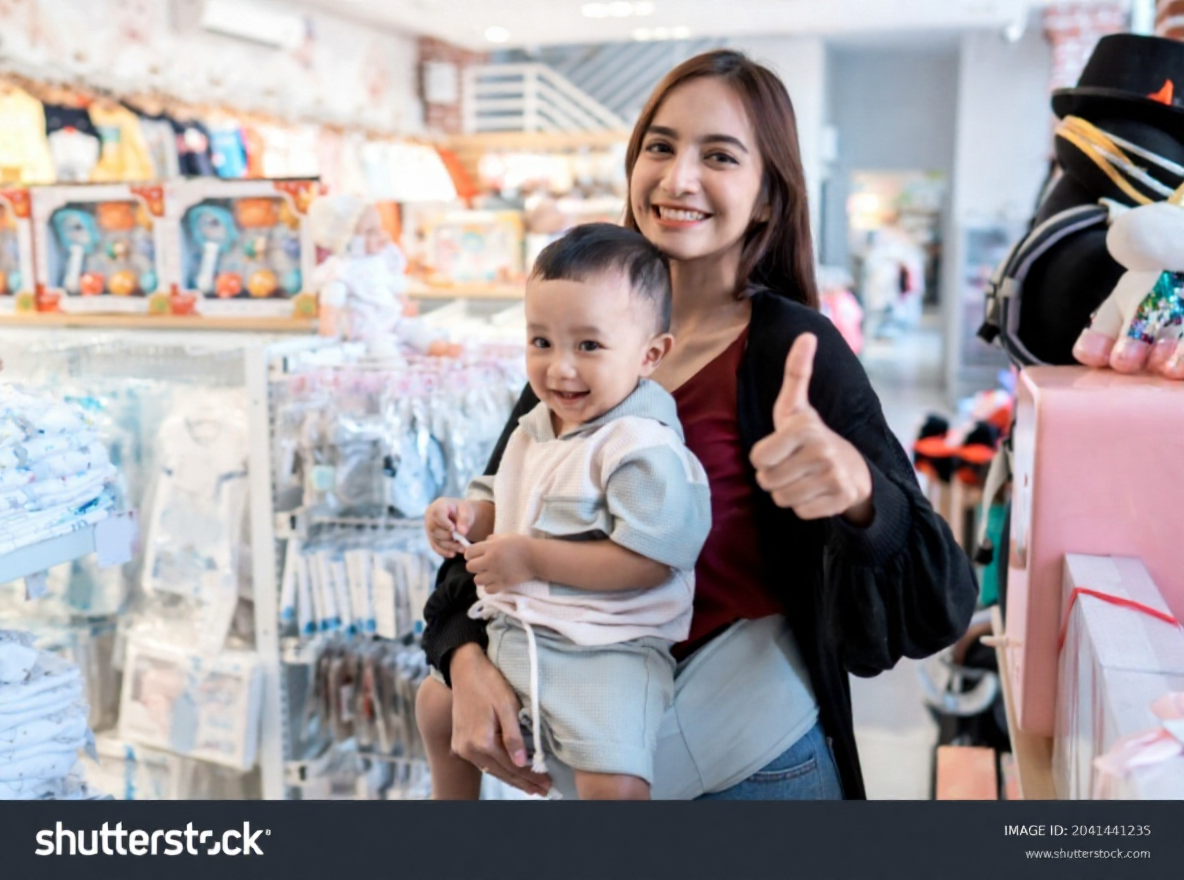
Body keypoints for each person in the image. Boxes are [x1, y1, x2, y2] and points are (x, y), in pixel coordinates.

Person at [421, 50, 978, 801]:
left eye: (719, 156)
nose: (678, 178)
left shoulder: (791, 349)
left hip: (749, 761)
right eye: (660, 146)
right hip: (585, 740)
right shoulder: (584, 341)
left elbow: (936, 601)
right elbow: (501, 509)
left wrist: (855, 490)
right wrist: (465, 662)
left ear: (768, 197)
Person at [417, 224, 712, 800]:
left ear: (650, 354)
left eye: (589, 346)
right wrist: (463, 517)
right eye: (541, 342)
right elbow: (501, 500)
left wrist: (532, 558)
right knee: (434, 703)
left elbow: (652, 560)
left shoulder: (639, 446)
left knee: (613, 777)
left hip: (608, 648)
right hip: (519, 627)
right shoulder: (535, 427)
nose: (560, 369)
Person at [307, 194, 459, 358]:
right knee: (381, 349)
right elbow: (331, 306)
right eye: (370, 231)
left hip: (392, 320)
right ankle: (395, 370)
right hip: (367, 329)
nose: (381, 235)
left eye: (380, 229)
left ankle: (439, 348)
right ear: (346, 239)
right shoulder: (342, 270)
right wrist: (329, 333)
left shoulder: (382, 260)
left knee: (415, 328)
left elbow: (393, 286)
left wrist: (404, 303)